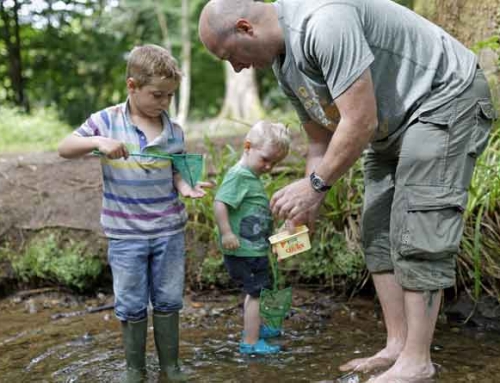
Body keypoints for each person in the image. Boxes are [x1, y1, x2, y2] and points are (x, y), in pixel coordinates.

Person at [199, 0, 497, 381]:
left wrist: (314, 185)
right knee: (377, 227)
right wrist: (307, 205)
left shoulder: (324, 21)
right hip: (391, 126)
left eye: (230, 56)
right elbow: (320, 141)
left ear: (245, 28)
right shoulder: (283, 63)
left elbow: (359, 120)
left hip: (444, 97)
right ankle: (396, 346)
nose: (237, 67)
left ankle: (417, 361)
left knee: (418, 222)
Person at [58, 44, 211, 382]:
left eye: (170, 96)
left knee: (169, 299)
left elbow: (176, 170)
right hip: (125, 234)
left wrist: (185, 187)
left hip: (168, 230)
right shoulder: (106, 121)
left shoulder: (174, 131)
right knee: (130, 302)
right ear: (132, 86)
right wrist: (98, 143)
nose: (164, 103)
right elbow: (64, 147)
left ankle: (170, 367)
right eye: (157, 95)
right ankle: (134, 370)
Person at [214, 120, 291, 355]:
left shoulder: (250, 177)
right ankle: (250, 341)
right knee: (256, 294)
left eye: (274, 163)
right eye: (265, 159)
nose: (268, 167)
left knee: (261, 289)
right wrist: (227, 232)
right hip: (243, 252)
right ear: (248, 147)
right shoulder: (238, 175)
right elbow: (220, 203)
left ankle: (257, 327)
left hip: (255, 250)